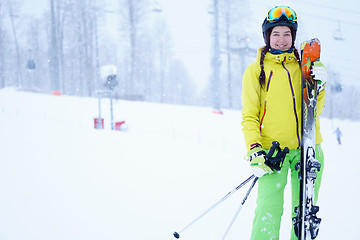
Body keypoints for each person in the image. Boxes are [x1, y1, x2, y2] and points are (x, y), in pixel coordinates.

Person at [241, 6, 327, 240]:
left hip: (307, 151)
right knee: (268, 214)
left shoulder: (304, 68)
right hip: (272, 154)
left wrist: (320, 86)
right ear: (267, 37)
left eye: (287, 34)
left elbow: (314, 112)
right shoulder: (255, 71)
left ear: (293, 36)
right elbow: (249, 116)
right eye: (276, 34)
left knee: (303, 217)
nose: (281, 39)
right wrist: (254, 149)